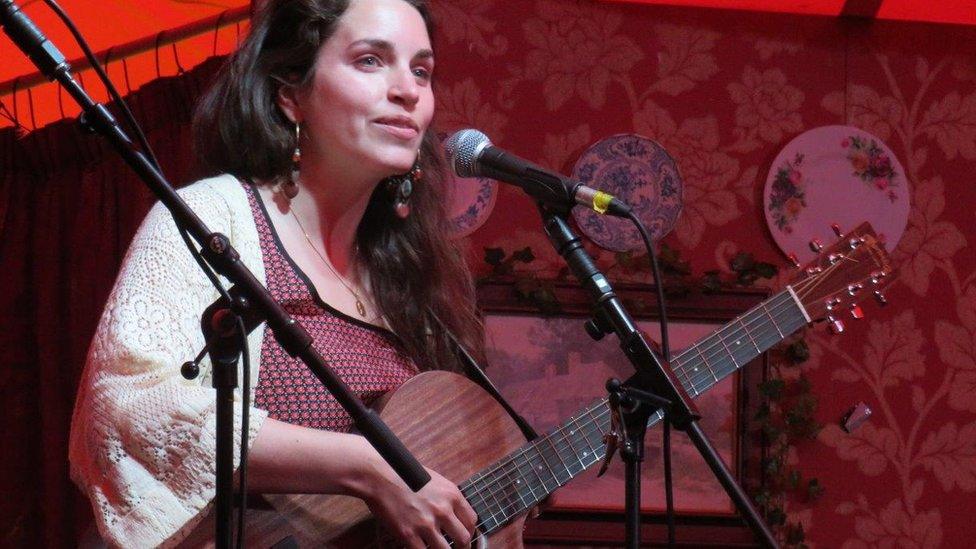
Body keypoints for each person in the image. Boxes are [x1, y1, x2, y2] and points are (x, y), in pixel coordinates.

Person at [68, 0, 486, 546]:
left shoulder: (411, 277)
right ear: (292, 94)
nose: (407, 89)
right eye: (369, 60)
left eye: (421, 70)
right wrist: (368, 467)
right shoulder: (215, 218)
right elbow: (126, 409)